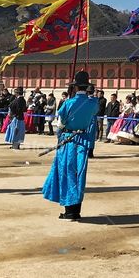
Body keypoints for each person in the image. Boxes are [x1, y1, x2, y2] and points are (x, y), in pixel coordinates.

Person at [42, 72, 99, 221]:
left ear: (75, 87)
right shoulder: (93, 103)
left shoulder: (68, 103)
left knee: (66, 173)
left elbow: (60, 124)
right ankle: (76, 211)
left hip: (68, 140)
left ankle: (69, 211)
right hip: (83, 141)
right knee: (78, 174)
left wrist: (60, 135)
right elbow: (92, 113)